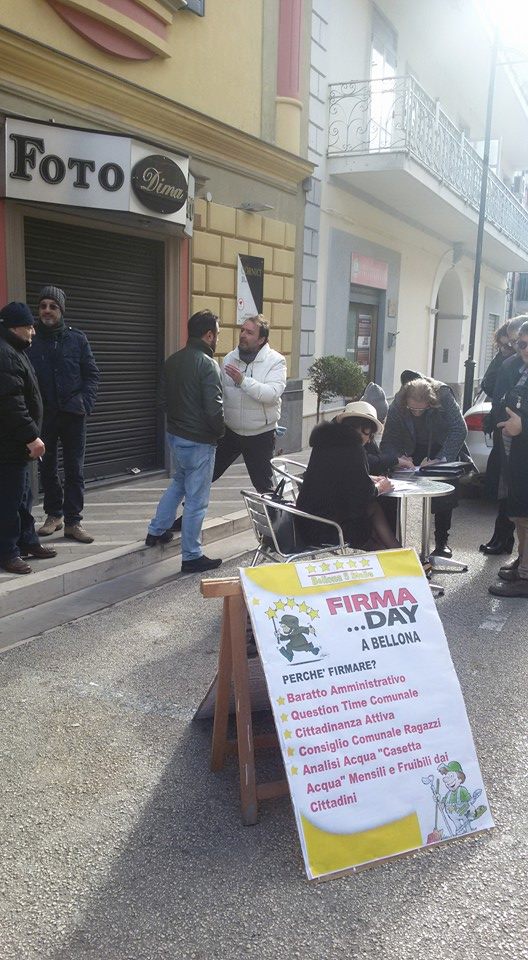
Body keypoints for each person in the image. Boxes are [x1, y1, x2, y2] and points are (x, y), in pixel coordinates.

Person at [145, 309, 224, 573]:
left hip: (175, 436)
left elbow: (161, 401)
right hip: (200, 440)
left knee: (178, 482)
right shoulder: (208, 364)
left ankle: (156, 530)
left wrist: (179, 423)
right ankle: (191, 555)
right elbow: (214, 409)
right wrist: (219, 432)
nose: (218, 340)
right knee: (196, 501)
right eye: (217, 334)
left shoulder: (173, 360)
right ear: (209, 334)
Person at [28, 285, 100, 544]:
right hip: (44, 415)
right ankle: (53, 515)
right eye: (43, 305)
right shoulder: (30, 339)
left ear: (61, 310)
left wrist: (85, 403)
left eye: (53, 306)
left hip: (73, 414)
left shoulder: (77, 339)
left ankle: (73, 521)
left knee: (74, 469)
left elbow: (92, 374)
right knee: (47, 468)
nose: (47, 310)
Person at [380, 374, 468, 558]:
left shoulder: (443, 394)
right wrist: (397, 458)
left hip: (440, 444)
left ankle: (442, 542)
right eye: (412, 409)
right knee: (393, 485)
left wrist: (442, 458)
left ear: (431, 402)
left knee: (444, 490)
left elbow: (459, 428)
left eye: (422, 409)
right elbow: (389, 437)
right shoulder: (399, 401)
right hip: (412, 446)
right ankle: (393, 542)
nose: (416, 413)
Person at [296, 401, 400, 550]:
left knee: (371, 521)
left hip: (306, 522)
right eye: (370, 434)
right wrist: (380, 487)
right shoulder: (353, 448)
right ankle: (400, 553)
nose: (369, 440)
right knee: (373, 508)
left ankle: (393, 552)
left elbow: (335, 477)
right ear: (366, 429)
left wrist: (367, 478)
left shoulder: (325, 442)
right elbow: (362, 494)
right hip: (329, 528)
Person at [0, 301, 57, 574]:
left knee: (24, 497)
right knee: (10, 501)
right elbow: (11, 403)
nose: (33, 331)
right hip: (9, 445)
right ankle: (8, 553)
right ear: (14, 327)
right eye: (29, 326)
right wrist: (32, 436)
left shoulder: (15, 350)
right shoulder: (5, 354)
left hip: (16, 445)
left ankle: (28, 542)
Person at [480, 315, 528, 555]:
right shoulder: (511, 364)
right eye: (518, 344)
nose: (521, 350)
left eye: (514, 344)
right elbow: (491, 386)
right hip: (509, 439)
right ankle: (517, 557)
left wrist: (523, 426)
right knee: (512, 498)